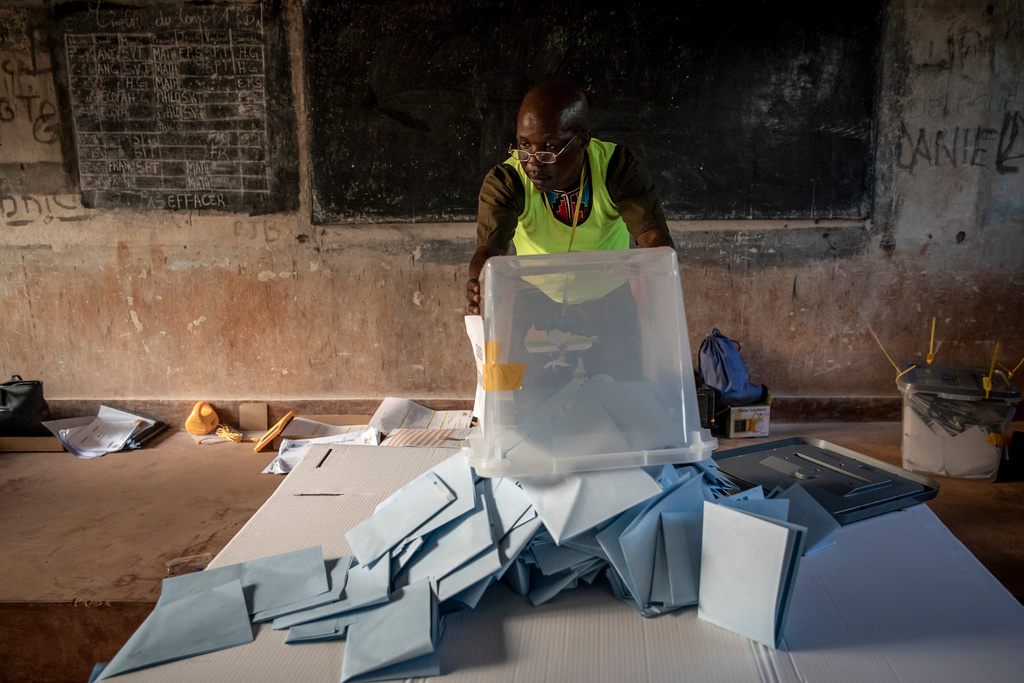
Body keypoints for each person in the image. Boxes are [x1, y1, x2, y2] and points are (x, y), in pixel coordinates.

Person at [465, 78, 674, 316]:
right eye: (524, 145)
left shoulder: (617, 168)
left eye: (549, 148)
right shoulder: (507, 180)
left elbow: (654, 239)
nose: (532, 162)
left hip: (610, 299)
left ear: (583, 140)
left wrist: (654, 276)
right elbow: (488, 252)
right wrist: (479, 284)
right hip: (535, 298)